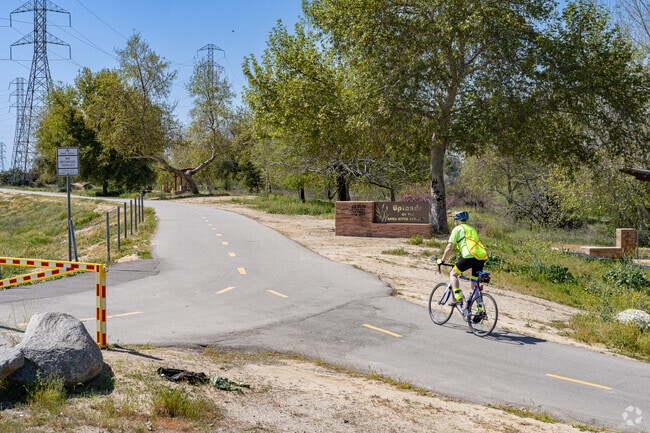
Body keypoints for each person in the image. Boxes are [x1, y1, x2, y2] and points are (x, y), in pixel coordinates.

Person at [436, 211, 488, 308]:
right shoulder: (472, 229)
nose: (454, 222)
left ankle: (458, 298)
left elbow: (449, 247)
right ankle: (480, 310)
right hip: (481, 257)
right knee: (474, 285)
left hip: (469, 256)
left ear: (457, 220)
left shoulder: (457, 229)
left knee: (453, 273)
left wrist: (442, 260)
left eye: (455, 220)